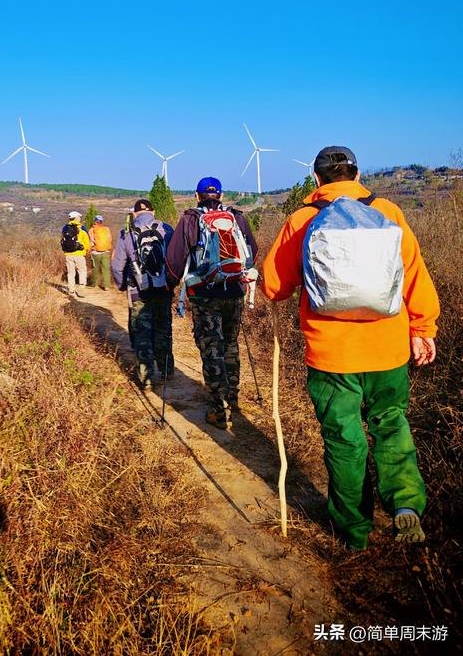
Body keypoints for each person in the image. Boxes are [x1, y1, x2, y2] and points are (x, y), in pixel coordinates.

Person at [261, 146, 440, 549]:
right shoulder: (388, 212)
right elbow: (414, 274)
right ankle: (405, 503)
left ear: (316, 179)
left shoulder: (302, 219)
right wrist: (422, 328)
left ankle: (354, 532)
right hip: (388, 350)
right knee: (391, 423)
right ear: (358, 175)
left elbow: (274, 286)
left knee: (344, 440)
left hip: (331, 356)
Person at [165, 177, 258, 429]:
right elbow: (252, 250)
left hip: (204, 294)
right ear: (221, 195)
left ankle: (219, 408)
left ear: (197, 196)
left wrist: (170, 284)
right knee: (230, 344)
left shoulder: (190, 219)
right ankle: (233, 398)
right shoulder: (237, 217)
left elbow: (175, 259)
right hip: (234, 291)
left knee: (212, 348)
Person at [111, 199, 174, 389]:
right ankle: (166, 370)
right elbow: (176, 260)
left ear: (134, 213)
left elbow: (117, 266)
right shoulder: (167, 229)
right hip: (163, 289)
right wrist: (171, 283)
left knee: (142, 332)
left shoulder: (127, 233)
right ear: (153, 212)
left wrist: (123, 286)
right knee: (163, 328)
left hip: (138, 290)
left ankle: (146, 377)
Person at [61, 211, 91, 298]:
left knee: (70, 273)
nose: (80, 218)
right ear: (76, 218)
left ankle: (71, 291)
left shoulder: (64, 228)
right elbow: (87, 242)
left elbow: (62, 240)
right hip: (79, 253)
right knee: (82, 271)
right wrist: (86, 249)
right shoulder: (82, 228)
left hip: (68, 254)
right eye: (79, 217)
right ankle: (81, 289)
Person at [89, 215, 112, 290]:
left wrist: (90, 250)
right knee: (106, 269)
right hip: (106, 252)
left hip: (96, 252)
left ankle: (94, 284)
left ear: (95, 221)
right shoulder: (107, 229)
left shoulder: (92, 230)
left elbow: (91, 241)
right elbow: (110, 239)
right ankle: (107, 285)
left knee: (95, 268)